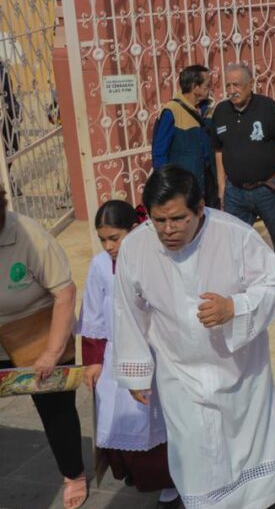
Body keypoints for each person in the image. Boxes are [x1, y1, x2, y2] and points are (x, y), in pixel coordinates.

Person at [112, 165, 275, 509]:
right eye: (158, 220)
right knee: (195, 454)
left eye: (179, 219)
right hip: (179, 371)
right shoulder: (136, 247)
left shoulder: (233, 234)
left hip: (241, 371)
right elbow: (126, 308)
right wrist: (136, 369)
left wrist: (234, 308)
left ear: (200, 208)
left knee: (246, 449)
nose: (168, 230)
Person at [78, 200, 177, 506]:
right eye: (103, 239)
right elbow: (93, 314)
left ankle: (169, 481)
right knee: (120, 417)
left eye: (115, 238)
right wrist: (93, 361)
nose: (108, 246)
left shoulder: (156, 259)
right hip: (114, 357)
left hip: (154, 355)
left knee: (156, 419)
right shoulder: (99, 266)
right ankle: (133, 471)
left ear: (133, 231)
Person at [0, 186, 86, 508]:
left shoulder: (27, 234)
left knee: (55, 409)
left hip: (39, 329)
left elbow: (65, 292)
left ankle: (73, 474)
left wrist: (51, 352)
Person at [211, 64, 275, 278]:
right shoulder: (221, 111)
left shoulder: (268, 107)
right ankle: (244, 279)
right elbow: (219, 150)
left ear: (251, 84)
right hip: (235, 191)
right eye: (228, 85)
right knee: (235, 239)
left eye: (237, 85)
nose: (232, 90)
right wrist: (222, 186)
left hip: (267, 188)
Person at [151, 64, 213, 194]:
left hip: (208, 184)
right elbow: (160, 153)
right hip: (185, 188)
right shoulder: (171, 111)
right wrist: (167, 186)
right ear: (195, 87)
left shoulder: (208, 108)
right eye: (207, 85)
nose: (210, 88)